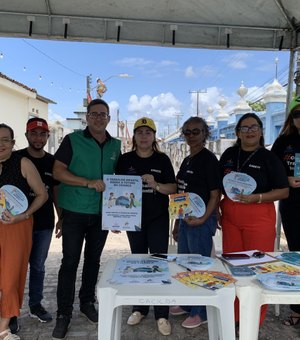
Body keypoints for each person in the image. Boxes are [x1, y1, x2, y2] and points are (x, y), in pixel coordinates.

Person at [51, 98, 121, 340]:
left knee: (93, 260)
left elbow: (119, 181)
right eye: (94, 114)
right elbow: (58, 171)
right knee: (69, 262)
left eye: (103, 114)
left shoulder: (116, 145)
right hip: (74, 211)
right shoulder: (73, 140)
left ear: (109, 118)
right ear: (87, 117)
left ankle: (87, 302)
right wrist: (87, 182)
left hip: (101, 213)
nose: (99, 118)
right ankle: (63, 314)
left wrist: (118, 216)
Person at [219, 112, 289, 328]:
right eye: (244, 128)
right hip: (231, 217)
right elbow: (218, 185)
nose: (249, 131)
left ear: (261, 131)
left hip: (258, 216)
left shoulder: (269, 158)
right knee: (235, 269)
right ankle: (235, 317)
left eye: (254, 127)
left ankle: (252, 321)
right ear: (237, 133)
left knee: (257, 269)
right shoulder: (230, 154)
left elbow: (283, 191)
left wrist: (256, 197)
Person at [116, 117, 176, 336]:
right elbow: (117, 190)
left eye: (148, 132)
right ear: (134, 136)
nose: (143, 136)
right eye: (139, 132)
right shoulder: (125, 160)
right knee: (138, 262)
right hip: (134, 221)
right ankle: (139, 308)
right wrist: (116, 218)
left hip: (158, 219)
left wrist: (156, 184)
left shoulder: (162, 160)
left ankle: (162, 313)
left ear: (154, 136)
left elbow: (173, 188)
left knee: (159, 263)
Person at [9, 118, 60, 333]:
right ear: (26, 135)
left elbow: (55, 190)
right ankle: (10, 312)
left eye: (42, 134)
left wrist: (62, 217)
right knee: (13, 268)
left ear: (47, 136)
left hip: (44, 222)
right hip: (16, 224)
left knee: (38, 266)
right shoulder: (15, 158)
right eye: (34, 133)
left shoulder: (52, 161)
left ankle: (35, 305)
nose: (38, 138)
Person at [171, 116, 221, 329]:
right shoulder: (187, 159)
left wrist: (203, 218)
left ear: (205, 133)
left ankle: (201, 311)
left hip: (201, 222)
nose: (191, 136)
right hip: (185, 220)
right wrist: (176, 223)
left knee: (200, 266)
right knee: (185, 264)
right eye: (188, 132)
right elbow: (181, 193)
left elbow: (215, 195)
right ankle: (188, 303)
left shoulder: (209, 160)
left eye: (196, 131)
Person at [0, 123, 48, 340]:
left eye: (5, 139)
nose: (0, 144)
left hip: (16, 227)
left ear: (12, 143)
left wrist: (25, 215)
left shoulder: (23, 163)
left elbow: (42, 195)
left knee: (11, 277)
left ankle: (3, 329)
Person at [271, 95, 300, 326]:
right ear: (292, 117)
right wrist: (286, 179)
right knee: (296, 256)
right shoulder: (283, 142)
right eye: (298, 113)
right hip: (292, 206)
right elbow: (272, 170)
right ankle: (297, 308)